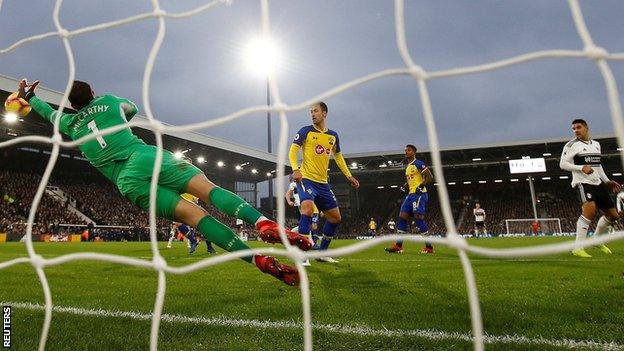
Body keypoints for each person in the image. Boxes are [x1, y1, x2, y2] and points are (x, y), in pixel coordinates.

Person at [19, 78, 312, 286]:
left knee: (197, 218)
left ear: (72, 104)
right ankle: (264, 224)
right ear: (92, 93)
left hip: (128, 182)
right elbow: (131, 108)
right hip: (146, 157)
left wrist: (29, 97)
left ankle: (260, 261)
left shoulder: (69, 123)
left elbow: (48, 113)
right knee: (210, 191)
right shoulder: (107, 101)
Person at [289, 101, 360, 263]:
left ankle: (321, 252)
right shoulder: (305, 131)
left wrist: (349, 176)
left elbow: (338, 157)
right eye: (311, 112)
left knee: (335, 218)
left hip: (323, 183)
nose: (313, 114)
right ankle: (302, 255)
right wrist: (295, 169)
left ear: (324, 113)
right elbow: (292, 152)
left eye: (315, 111)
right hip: (306, 179)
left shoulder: (333, 136)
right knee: (306, 210)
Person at [559, 118, 620, 258]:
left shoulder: (596, 145)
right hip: (582, 183)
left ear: (586, 128)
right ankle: (577, 248)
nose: (576, 130)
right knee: (590, 211)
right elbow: (563, 164)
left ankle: (597, 241)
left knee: (613, 215)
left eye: (578, 127)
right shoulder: (571, 145)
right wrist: (581, 167)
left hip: (597, 183)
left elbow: (598, 166)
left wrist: (607, 180)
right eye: (573, 128)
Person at [385, 144, 433, 254]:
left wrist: (421, 186)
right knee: (402, 216)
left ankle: (429, 247)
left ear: (414, 152)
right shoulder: (408, 167)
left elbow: (430, 176)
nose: (406, 152)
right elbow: (412, 180)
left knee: (418, 218)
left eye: (409, 150)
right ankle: (398, 246)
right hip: (410, 195)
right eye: (405, 150)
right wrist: (405, 185)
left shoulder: (418, 163)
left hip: (419, 194)